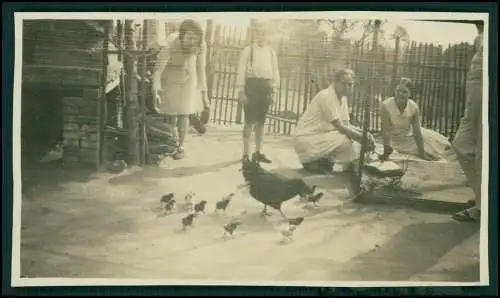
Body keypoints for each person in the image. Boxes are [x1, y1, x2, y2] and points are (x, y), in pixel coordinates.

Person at [293, 68, 375, 174]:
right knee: (346, 140)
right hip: (307, 138)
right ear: (335, 82)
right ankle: (312, 161)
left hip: (322, 136)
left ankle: (323, 161)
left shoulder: (343, 98)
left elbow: (347, 124)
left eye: (350, 85)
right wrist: (362, 139)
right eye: (344, 83)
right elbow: (340, 126)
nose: (347, 87)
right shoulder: (326, 95)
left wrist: (365, 134)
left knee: (352, 139)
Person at [152, 19, 209, 160]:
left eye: (195, 38)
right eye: (189, 37)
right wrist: (155, 89)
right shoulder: (171, 42)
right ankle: (172, 141)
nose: (192, 41)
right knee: (172, 112)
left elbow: (201, 70)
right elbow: (159, 68)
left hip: (188, 75)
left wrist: (204, 95)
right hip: (171, 73)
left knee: (184, 112)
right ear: (182, 35)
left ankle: (180, 146)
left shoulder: (200, 45)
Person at [452, 21, 484, 223]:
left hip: (483, 90)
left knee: (482, 153)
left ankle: (483, 208)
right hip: (474, 94)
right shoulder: (480, 37)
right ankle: (483, 198)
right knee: (462, 145)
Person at [235, 21, 280, 164]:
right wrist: (241, 91)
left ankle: (258, 152)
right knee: (249, 122)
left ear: (268, 36)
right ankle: (245, 154)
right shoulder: (248, 50)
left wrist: (274, 90)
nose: (261, 36)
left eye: (264, 34)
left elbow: (275, 72)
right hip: (252, 86)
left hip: (265, 87)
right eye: (258, 33)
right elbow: (241, 70)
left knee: (261, 122)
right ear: (254, 34)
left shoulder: (271, 52)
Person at [380, 77, 452, 161]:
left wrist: (422, 154)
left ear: (410, 93)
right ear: (394, 91)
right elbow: (386, 131)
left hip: (410, 134)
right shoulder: (386, 105)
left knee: (442, 144)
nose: (400, 94)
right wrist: (386, 150)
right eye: (398, 91)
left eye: (404, 92)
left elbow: (417, 132)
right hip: (394, 138)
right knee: (430, 151)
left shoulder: (413, 107)